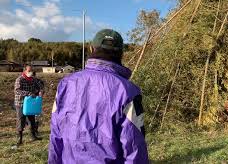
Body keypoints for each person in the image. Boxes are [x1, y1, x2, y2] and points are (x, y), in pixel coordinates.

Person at [48, 29, 149, 164]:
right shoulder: (129, 91)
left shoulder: (65, 85)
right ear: (121, 54)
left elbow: (56, 133)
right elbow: (134, 146)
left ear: (91, 49)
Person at [14, 65, 43, 146]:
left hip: (30, 103)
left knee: (32, 120)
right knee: (21, 120)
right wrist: (28, 93)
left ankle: (33, 136)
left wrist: (39, 91)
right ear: (25, 71)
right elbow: (17, 90)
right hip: (20, 103)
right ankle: (19, 139)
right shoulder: (19, 79)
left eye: (32, 71)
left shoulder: (33, 80)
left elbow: (39, 87)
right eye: (29, 71)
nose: (31, 72)